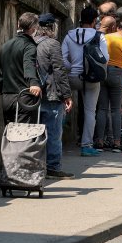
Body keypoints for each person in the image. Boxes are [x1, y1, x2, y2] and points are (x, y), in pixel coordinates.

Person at [62, 6, 109, 157]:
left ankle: (55, 140)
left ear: (80, 19)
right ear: (95, 20)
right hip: (92, 78)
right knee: (90, 112)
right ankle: (86, 145)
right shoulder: (99, 36)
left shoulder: (69, 35)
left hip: (72, 78)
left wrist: (72, 67)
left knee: (60, 107)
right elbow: (105, 58)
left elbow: (62, 59)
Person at [34, 13, 74, 179]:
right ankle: (53, 167)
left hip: (33, 95)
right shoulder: (52, 44)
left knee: (35, 133)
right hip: (51, 94)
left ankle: (35, 165)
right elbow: (59, 70)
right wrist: (67, 95)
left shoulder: (31, 42)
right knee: (53, 133)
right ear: (52, 28)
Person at [95, 15, 122, 152]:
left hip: (102, 72)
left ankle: (99, 141)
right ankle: (117, 142)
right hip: (117, 74)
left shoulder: (106, 37)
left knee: (102, 109)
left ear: (117, 27)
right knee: (116, 110)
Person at [0, 12, 42, 124]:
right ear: (33, 28)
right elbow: (29, 64)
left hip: (7, 97)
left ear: (18, 25)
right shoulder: (29, 46)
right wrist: (34, 83)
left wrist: (3, 92)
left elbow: (0, 74)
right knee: (23, 137)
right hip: (24, 97)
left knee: (10, 134)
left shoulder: (5, 45)